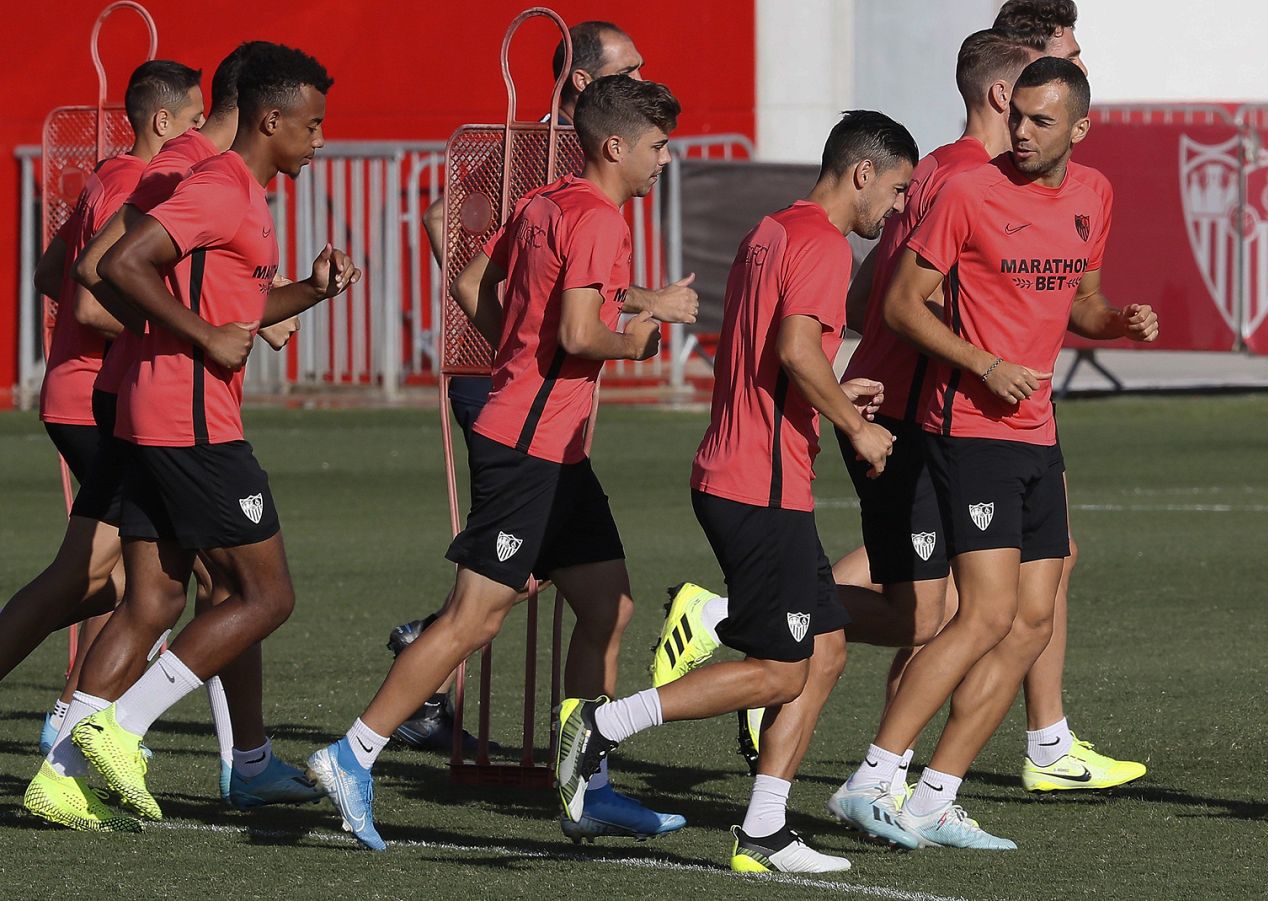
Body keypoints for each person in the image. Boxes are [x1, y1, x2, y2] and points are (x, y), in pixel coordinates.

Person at [651, 0, 1144, 797]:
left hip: (957, 408)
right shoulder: (955, 177)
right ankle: (758, 638)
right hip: (926, 413)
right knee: (949, 610)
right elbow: (894, 293)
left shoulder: (1006, 183)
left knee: (973, 598)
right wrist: (982, 345)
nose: (1073, 81)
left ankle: (1001, 746)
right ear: (1005, 93)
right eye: (1062, 64)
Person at [307, 75, 683, 852]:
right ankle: (353, 753)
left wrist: (515, 349)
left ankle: (590, 787)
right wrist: (639, 335)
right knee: (471, 618)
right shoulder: (599, 221)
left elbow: (474, 278)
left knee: (608, 603)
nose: (666, 160)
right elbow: (582, 333)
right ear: (615, 147)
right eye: (658, 146)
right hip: (527, 449)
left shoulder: (546, 201)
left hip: (557, 449)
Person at [555, 109, 916, 875]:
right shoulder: (821, 241)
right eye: (895, 190)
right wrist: (855, 423)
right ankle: (605, 722)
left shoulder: (773, 229)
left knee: (824, 651)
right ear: (862, 173)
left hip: (742, 470)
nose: (895, 210)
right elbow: (791, 347)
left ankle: (763, 829)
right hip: (761, 483)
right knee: (785, 668)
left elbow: (773, 353)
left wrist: (840, 386)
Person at [32, 42, 357, 834]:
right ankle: (122, 724)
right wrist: (206, 336)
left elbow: (199, 293)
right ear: (270, 120)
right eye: (312, 127)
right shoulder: (220, 186)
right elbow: (118, 266)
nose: (320, 142)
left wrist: (310, 292)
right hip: (192, 421)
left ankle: (60, 775)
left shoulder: (221, 186)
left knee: (152, 598)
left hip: (149, 412)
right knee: (265, 593)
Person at [834, 57, 1157, 850]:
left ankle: (935, 796)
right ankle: (872, 776)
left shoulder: (1093, 194)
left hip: (1037, 432)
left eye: (1041, 122)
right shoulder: (968, 191)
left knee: (1030, 621)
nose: (1021, 132)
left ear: (1079, 128)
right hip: (967, 431)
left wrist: (1115, 322)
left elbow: (1079, 298)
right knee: (978, 614)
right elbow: (902, 304)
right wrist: (983, 363)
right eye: (1017, 116)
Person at [387, 19, 696, 756]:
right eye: (631, 68)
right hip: (513, 393)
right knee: (504, 582)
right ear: (586, 86)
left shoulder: (583, 161)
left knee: (583, 580)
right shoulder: (534, 152)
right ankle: (416, 672)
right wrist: (518, 335)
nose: (645, 75)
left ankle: (567, 755)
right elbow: (444, 223)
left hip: (540, 383)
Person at [11, 59, 203, 832]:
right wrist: (173, 335)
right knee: (130, 578)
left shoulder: (104, 176)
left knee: (106, 578)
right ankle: (83, 732)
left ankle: (81, 727)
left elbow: (53, 270)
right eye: (193, 123)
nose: (199, 139)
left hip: (85, 395)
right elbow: (88, 298)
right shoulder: (133, 184)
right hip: (101, 400)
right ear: (163, 123)